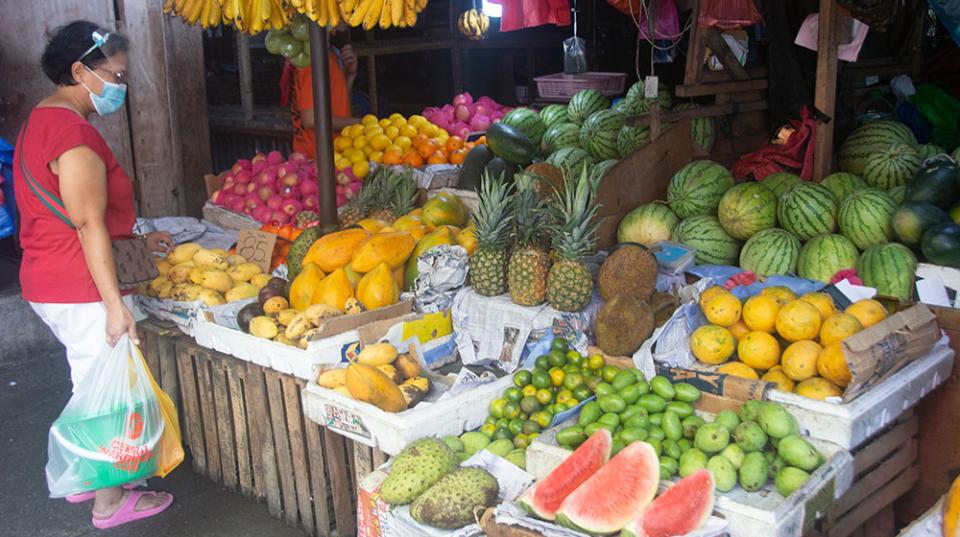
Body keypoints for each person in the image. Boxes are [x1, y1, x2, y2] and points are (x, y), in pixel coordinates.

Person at [13, 20, 174, 529]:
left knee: (88, 382)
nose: (121, 87)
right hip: (80, 285)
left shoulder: (41, 118)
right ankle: (110, 502)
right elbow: (85, 222)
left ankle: (88, 477)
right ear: (79, 70)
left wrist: (137, 240)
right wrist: (114, 305)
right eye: (116, 76)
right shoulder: (71, 133)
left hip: (50, 277)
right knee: (108, 391)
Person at [289, 34, 361, 158]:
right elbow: (311, 120)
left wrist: (349, 75)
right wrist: (359, 123)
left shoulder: (328, 57)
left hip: (334, 154)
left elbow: (336, 102)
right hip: (318, 159)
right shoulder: (315, 62)